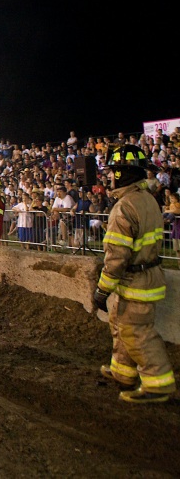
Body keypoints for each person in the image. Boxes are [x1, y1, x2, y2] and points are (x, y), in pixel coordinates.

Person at [93, 144, 176, 404]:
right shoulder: (147, 199)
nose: (109, 177)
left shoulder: (125, 207)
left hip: (136, 280)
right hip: (142, 277)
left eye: (113, 172)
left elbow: (116, 257)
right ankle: (123, 372)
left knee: (136, 331)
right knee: (121, 325)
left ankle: (158, 384)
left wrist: (102, 290)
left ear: (122, 174)